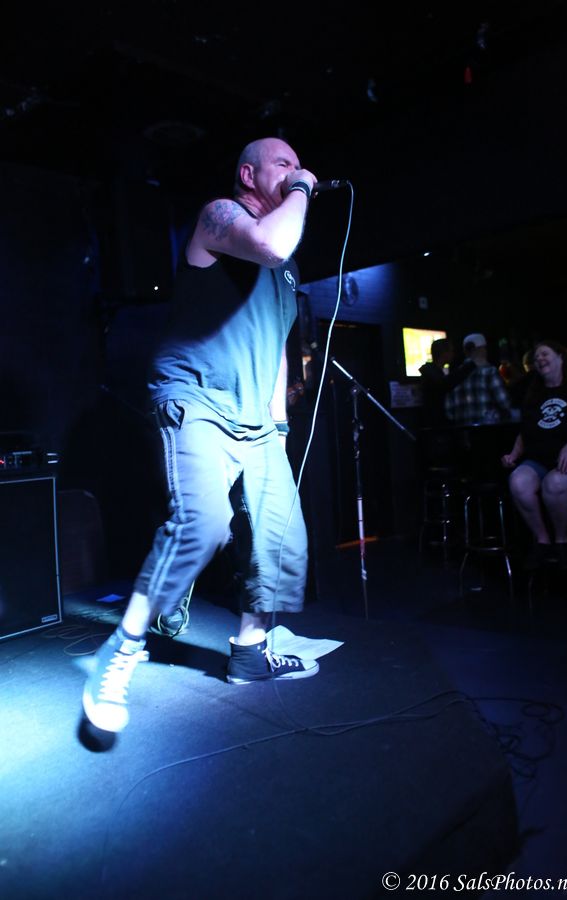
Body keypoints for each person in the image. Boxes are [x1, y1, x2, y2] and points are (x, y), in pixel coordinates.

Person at [83, 137, 321, 733]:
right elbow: (271, 243)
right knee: (205, 524)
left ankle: (250, 652)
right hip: (195, 394)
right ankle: (121, 650)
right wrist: (303, 188)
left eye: (299, 166)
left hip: (256, 415)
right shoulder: (219, 216)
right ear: (249, 174)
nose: (295, 172)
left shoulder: (288, 270)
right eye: (284, 164)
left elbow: (277, 347)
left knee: (281, 537)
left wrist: (279, 425)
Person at [501, 339, 567, 570]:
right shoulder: (534, 394)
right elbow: (525, 432)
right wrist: (513, 455)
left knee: (554, 483)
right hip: (541, 460)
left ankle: (562, 542)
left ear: (560, 357)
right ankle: (542, 540)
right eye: (536, 358)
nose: (539, 359)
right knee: (518, 481)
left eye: (544, 354)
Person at [444, 332, 513, 426]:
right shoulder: (490, 371)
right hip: (487, 431)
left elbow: (449, 412)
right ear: (482, 349)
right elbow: (505, 403)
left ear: (465, 351)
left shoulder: (454, 375)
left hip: (462, 432)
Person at [418, 337, 476, 426]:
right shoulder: (432, 374)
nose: (453, 354)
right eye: (451, 351)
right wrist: (470, 365)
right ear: (444, 353)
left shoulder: (433, 372)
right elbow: (445, 384)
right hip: (435, 425)